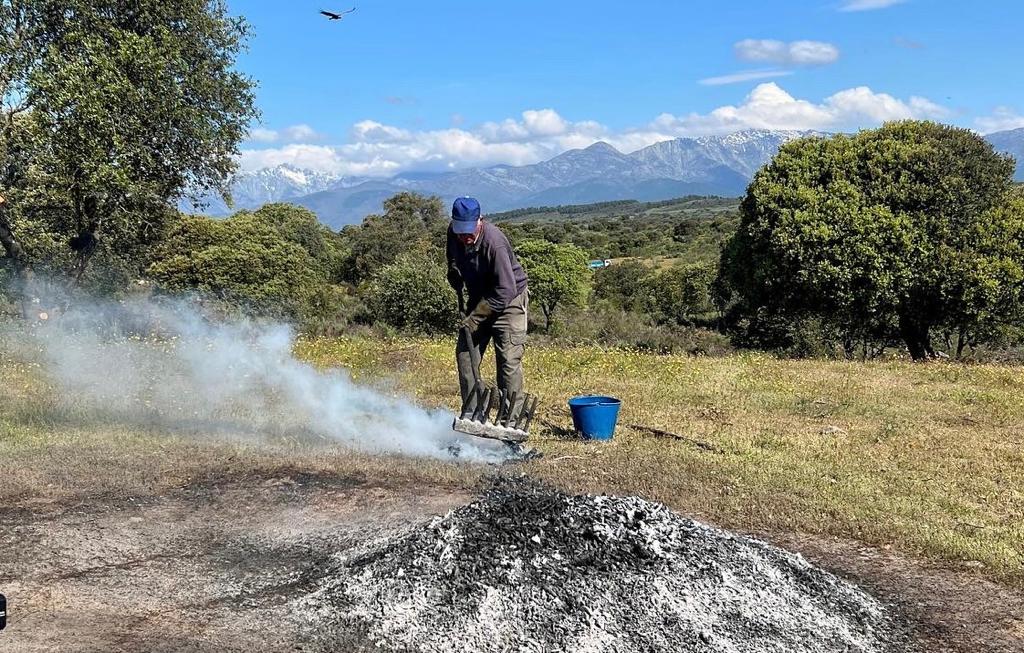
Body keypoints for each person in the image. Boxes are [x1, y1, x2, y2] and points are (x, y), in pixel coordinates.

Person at [445, 197, 529, 405]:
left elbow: (505, 289)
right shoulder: (454, 232)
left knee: (508, 362)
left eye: (469, 231)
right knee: (466, 355)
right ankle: (474, 414)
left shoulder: (495, 243)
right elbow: (453, 256)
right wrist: (453, 270)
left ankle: (510, 421)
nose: (465, 237)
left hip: (509, 302)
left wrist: (475, 318)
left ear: (480, 220)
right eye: (460, 231)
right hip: (478, 298)